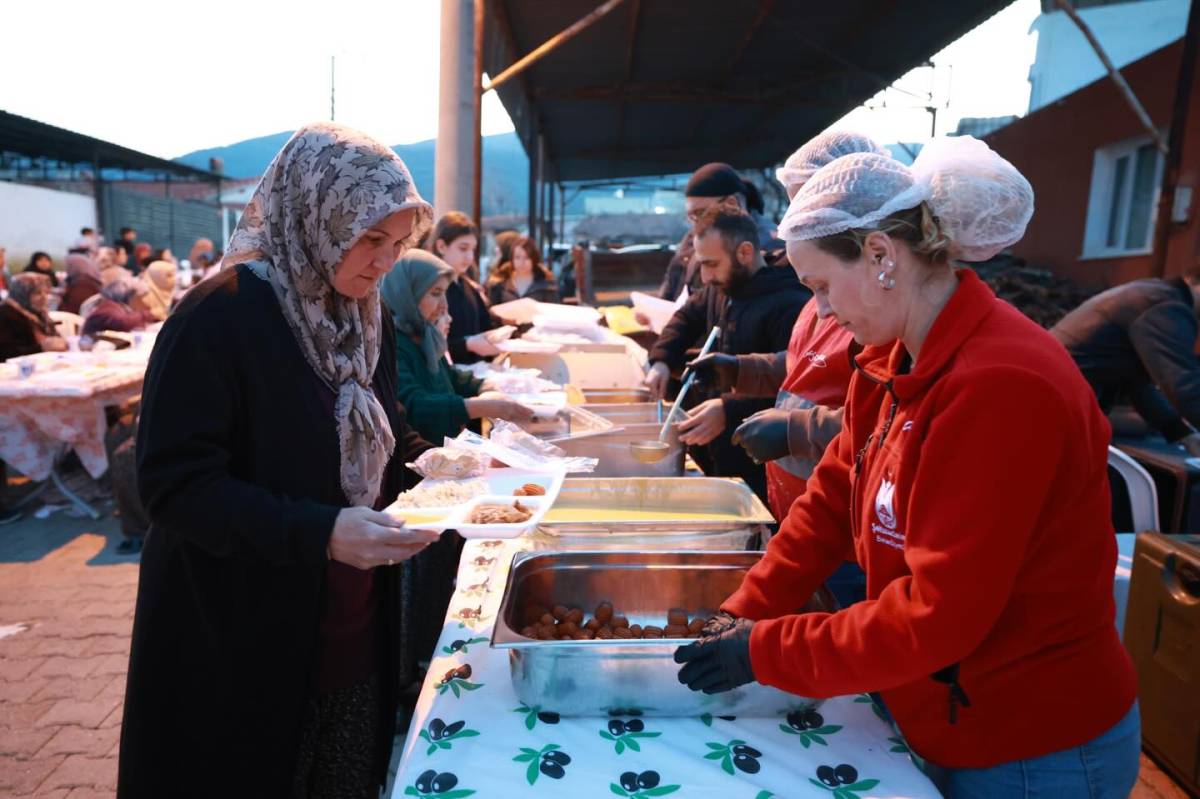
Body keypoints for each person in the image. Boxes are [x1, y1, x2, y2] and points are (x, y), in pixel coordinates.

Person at [674, 138, 1140, 798]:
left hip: (1031, 744)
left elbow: (937, 615)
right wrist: (748, 607)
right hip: (943, 712)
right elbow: (833, 498)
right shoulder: (890, 359)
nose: (824, 313)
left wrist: (764, 650)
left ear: (881, 256)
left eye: (822, 288)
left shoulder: (1000, 385)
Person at [119, 123, 443, 798]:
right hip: (242, 647)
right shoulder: (220, 317)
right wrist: (322, 532)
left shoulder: (365, 316)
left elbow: (391, 432)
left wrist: (442, 468)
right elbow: (175, 485)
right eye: (371, 238)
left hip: (353, 639)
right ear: (317, 217)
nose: (386, 261)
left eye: (399, 243)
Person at [689, 132, 891, 520]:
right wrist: (743, 370)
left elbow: (882, 421)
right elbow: (805, 361)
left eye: (810, 205)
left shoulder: (874, 309)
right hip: (798, 499)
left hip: (842, 514)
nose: (795, 220)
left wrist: (799, 430)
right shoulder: (823, 289)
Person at [646, 207, 808, 501]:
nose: (705, 277)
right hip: (722, 458)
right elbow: (685, 318)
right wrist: (660, 361)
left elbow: (795, 387)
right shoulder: (721, 289)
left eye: (711, 264)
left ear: (745, 252)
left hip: (765, 470)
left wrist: (729, 409)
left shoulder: (789, 304)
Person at [382, 249, 535, 443]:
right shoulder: (392, 343)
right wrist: (481, 406)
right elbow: (414, 406)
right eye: (436, 294)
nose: (444, 305)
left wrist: (486, 386)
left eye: (444, 294)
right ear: (406, 293)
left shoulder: (424, 335)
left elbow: (450, 377)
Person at [1051, 272, 1200, 455]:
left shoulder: (1151, 293)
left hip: (1057, 403)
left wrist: (1181, 433)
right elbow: (1184, 384)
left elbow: (1136, 382)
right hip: (1061, 413)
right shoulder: (1163, 306)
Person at [657, 163, 771, 302]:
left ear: (731, 204)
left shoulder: (768, 242)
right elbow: (672, 280)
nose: (695, 223)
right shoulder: (694, 235)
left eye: (700, 213)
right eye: (691, 217)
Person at [426, 212, 498, 364]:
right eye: (463, 249)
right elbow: (424, 345)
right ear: (441, 246)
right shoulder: (428, 288)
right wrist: (467, 345)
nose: (470, 257)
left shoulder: (469, 287)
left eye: (473, 249)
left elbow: (485, 327)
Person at [0, 273, 68, 361]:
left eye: (46, 292)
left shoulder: (38, 313)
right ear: (22, 294)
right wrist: (40, 348)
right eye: (37, 293)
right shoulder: (6, 314)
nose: (44, 297)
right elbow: (5, 353)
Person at [486, 235, 559, 304]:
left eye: (527, 257)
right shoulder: (500, 282)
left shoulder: (546, 285)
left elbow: (553, 312)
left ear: (534, 259)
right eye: (517, 257)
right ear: (512, 259)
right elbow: (491, 311)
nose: (522, 262)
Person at [80, 276, 155, 342]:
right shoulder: (109, 306)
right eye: (140, 297)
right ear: (131, 297)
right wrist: (143, 314)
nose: (143, 301)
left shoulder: (117, 306)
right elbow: (124, 323)